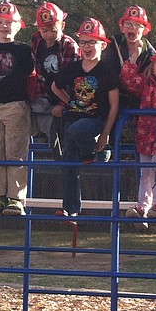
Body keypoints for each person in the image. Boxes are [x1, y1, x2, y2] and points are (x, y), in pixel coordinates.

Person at [51, 18, 121, 218]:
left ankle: (93, 151)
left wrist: (105, 135)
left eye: (92, 42)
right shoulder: (73, 68)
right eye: (83, 42)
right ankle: (71, 208)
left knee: (77, 130)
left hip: (95, 121)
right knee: (69, 166)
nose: (87, 47)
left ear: (103, 45)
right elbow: (55, 86)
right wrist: (68, 101)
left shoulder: (107, 71)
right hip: (73, 117)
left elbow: (114, 105)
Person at [0, 2, 36, 216]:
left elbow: (29, 73)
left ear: (18, 26)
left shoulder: (23, 50)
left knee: (15, 152)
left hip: (15, 104)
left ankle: (16, 198)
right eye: (0, 22)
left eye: (9, 23)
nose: (4, 26)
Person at [120, 46, 156, 224]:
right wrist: (132, 60)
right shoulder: (146, 82)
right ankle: (142, 204)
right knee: (145, 170)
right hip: (145, 132)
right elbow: (129, 80)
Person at [29, 2, 80, 157]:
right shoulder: (36, 43)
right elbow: (35, 72)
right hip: (44, 96)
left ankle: (68, 164)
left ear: (62, 25)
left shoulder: (69, 45)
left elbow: (72, 78)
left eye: (53, 29)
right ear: (38, 29)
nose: (49, 34)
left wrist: (63, 103)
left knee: (65, 147)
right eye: (44, 30)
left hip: (65, 97)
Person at [102, 4, 156, 103]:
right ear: (122, 28)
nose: (132, 27)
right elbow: (106, 72)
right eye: (128, 23)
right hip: (112, 99)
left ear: (145, 30)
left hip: (140, 102)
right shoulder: (113, 44)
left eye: (137, 24)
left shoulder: (151, 54)